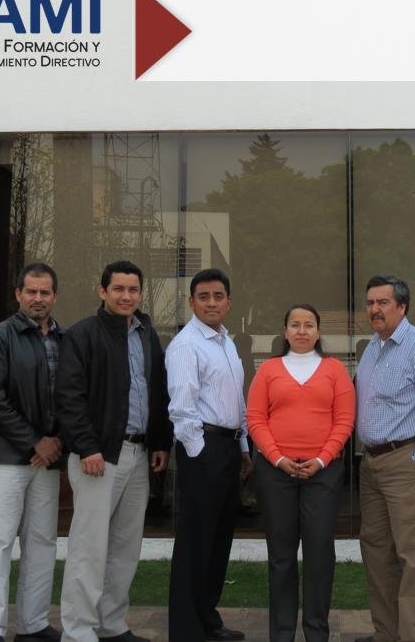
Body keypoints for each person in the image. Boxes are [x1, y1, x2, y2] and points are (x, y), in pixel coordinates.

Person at [56, 260, 172, 642]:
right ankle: (78, 631)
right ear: (102, 291)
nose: (126, 296)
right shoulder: (82, 335)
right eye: (118, 289)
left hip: (138, 455)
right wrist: (86, 446)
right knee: (89, 548)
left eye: (133, 289)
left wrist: (160, 441)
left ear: (140, 293)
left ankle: (111, 624)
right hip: (98, 457)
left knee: (125, 547)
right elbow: (69, 397)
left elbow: (156, 391)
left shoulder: (146, 335)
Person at [246, 304, 356, 642]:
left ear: (318, 331)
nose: (302, 330)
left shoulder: (334, 370)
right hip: (275, 473)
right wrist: (277, 457)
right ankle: (282, 633)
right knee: (281, 555)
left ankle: (316, 632)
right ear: (285, 331)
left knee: (319, 551)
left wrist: (322, 459)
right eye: (295, 324)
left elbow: (344, 420)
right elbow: (255, 419)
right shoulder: (269, 370)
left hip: (322, 474)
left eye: (309, 325)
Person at [354, 275, 415, 642]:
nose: (374, 309)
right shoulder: (372, 348)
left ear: (402, 306)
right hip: (372, 464)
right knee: (377, 552)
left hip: (406, 461)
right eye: (370, 303)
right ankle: (387, 633)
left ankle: (414, 636)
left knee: (414, 556)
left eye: (382, 302)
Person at [0, 263, 64, 642]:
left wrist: (56, 440)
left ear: (54, 296)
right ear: (18, 294)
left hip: (48, 460)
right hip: (5, 459)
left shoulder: (64, 339)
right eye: (31, 291)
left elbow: (72, 396)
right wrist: (34, 441)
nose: (38, 298)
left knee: (42, 543)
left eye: (45, 292)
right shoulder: (0, 336)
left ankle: (33, 625)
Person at [167, 268, 252, 642]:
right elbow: (181, 409)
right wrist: (200, 453)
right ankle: (187, 631)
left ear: (229, 302)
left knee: (219, 539)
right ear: (192, 302)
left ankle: (207, 621)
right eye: (204, 297)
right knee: (196, 541)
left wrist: (243, 447)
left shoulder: (226, 343)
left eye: (218, 296)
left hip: (228, 448)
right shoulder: (187, 345)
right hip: (203, 448)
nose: (211, 303)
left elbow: (237, 401)